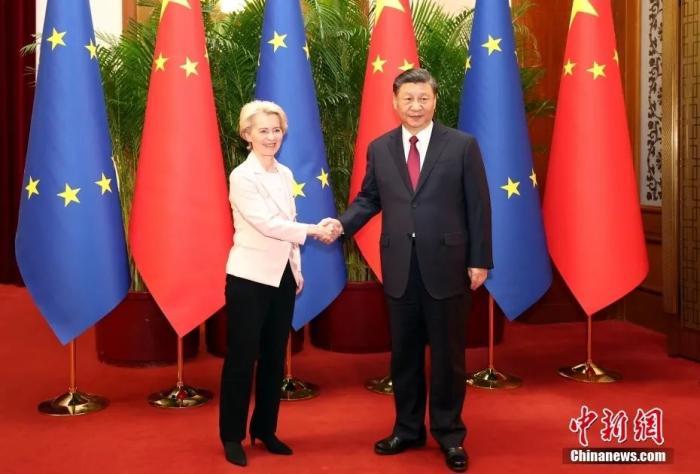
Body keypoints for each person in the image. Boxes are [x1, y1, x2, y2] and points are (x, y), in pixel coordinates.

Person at [322, 68, 492, 473]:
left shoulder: (462, 145)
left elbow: (479, 206)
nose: (416, 106)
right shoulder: (380, 148)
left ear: (435, 101)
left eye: (423, 98)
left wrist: (480, 259)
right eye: (408, 99)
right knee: (404, 354)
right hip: (399, 266)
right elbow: (369, 199)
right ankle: (408, 428)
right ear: (395, 102)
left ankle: (450, 435)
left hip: (448, 265)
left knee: (448, 356)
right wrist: (341, 225)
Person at [219, 100, 332, 467]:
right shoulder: (242, 176)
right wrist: (314, 230)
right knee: (241, 359)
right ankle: (231, 436)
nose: (271, 137)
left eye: (276, 130)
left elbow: (286, 226)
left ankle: (265, 430)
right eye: (263, 130)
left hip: (282, 276)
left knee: (274, 359)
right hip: (249, 278)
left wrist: (295, 272)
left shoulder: (284, 173)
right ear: (247, 135)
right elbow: (268, 224)